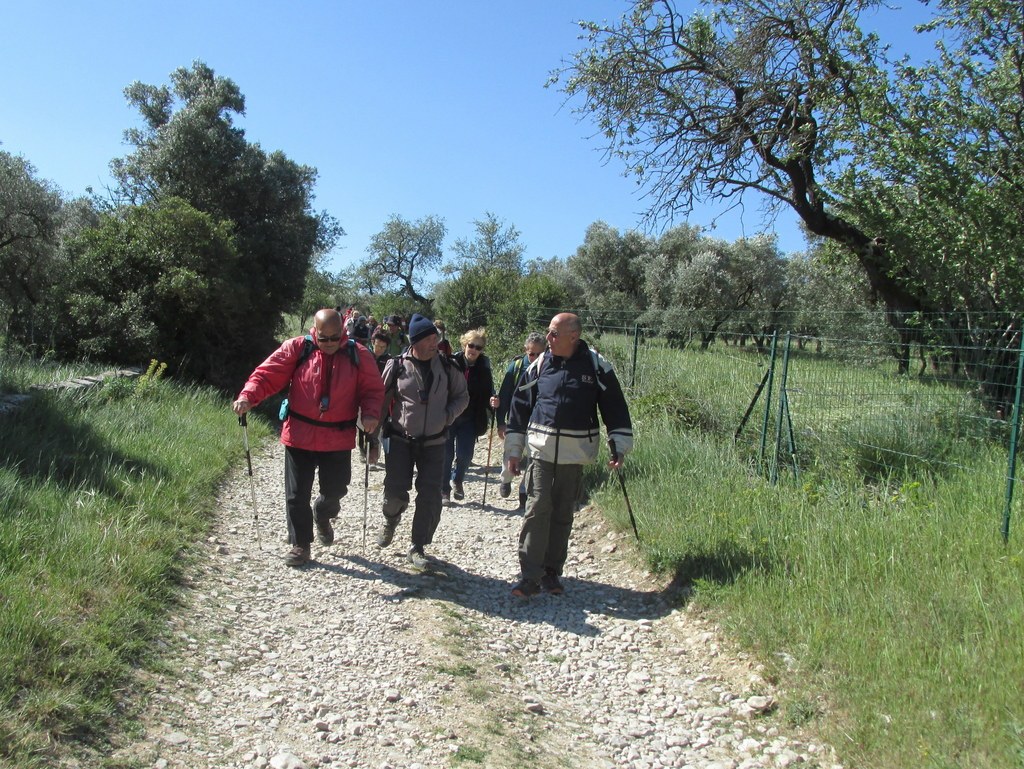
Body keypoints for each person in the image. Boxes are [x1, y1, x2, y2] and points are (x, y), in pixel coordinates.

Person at [233, 308, 385, 567]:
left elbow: (372, 389)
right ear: (314, 331)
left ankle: (322, 514)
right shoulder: (297, 348)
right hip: (299, 434)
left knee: (336, 490)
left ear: (343, 332)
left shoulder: (358, 355)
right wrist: (249, 395)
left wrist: (370, 414)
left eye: (334, 338)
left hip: (337, 437)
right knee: (296, 495)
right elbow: (267, 374)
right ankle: (300, 544)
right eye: (322, 338)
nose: (328, 344)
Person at [504, 313, 633, 597]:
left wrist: (618, 446)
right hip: (541, 448)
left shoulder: (596, 366)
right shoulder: (539, 365)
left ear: (573, 336)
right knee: (537, 507)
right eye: (548, 332)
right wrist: (514, 450)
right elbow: (520, 405)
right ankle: (529, 575)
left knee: (563, 511)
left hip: (575, 452)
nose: (547, 339)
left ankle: (552, 572)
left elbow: (614, 406)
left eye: (553, 333)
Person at [375, 313, 469, 571]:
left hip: (435, 442)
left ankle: (418, 546)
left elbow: (463, 397)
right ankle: (391, 520)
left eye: (435, 338)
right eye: (427, 339)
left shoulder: (449, 367)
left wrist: (446, 416)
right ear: (414, 342)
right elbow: (381, 400)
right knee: (394, 491)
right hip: (400, 439)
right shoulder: (396, 366)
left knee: (430, 497)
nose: (433, 343)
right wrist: (372, 436)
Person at [443, 328, 495, 504]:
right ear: (464, 344)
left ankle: (457, 479)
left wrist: (493, 401)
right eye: (471, 345)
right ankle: (444, 490)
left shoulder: (483, 367)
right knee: (446, 455)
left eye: (478, 347)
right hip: (449, 416)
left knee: (465, 455)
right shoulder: (451, 363)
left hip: (470, 418)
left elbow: (489, 391)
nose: (474, 350)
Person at [496, 331, 547, 510]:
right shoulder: (516, 366)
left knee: (533, 457)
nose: (533, 357)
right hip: (516, 418)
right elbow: (504, 394)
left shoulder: (549, 368)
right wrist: (500, 422)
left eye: (539, 354)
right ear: (525, 350)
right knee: (511, 452)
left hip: (538, 421)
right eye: (530, 353)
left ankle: (524, 493)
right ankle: (506, 479)